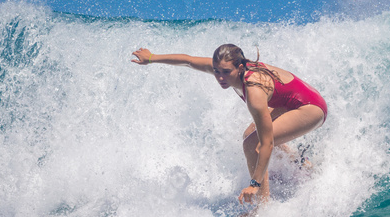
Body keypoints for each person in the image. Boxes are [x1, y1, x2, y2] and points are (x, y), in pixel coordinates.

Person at [131, 43, 327, 208]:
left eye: (226, 72)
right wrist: (151, 58)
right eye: (216, 71)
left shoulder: (254, 91)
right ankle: (302, 165)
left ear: (240, 68)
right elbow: (188, 61)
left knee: (253, 144)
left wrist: (254, 183)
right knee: (250, 133)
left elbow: (266, 144)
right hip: (291, 102)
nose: (220, 77)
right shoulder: (227, 68)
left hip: (310, 108)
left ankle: (262, 208)